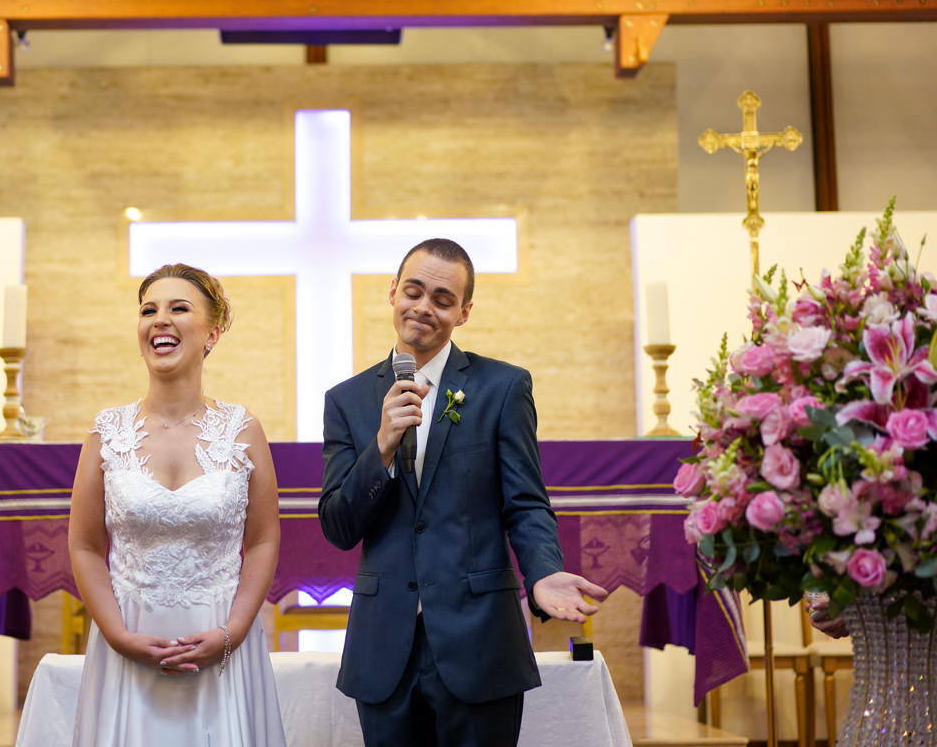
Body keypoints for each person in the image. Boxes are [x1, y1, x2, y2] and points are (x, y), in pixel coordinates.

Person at [319, 238, 609, 746]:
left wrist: (541, 573)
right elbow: (339, 526)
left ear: (464, 312)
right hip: (384, 646)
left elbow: (525, 502)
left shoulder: (503, 387)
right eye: (414, 291)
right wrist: (383, 445)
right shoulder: (346, 400)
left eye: (442, 298)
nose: (424, 307)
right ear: (392, 293)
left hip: (479, 640)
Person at [67, 263, 286, 746]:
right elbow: (84, 546)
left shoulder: (242, 431)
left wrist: (233, 631)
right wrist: (119, 637)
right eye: (148, 310)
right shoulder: (106, 433)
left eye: (178, 308)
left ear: (213, 332)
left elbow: (264, 540)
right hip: (129, 637)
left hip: (221, 639)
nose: (159, 320)